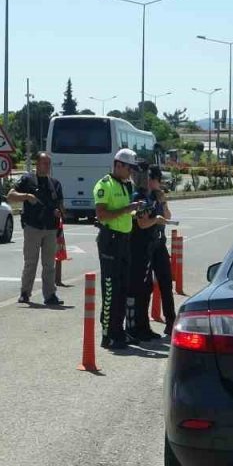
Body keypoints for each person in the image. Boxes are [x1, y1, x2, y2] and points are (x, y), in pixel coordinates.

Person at [94, 148, 142, 349]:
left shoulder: (126, 185)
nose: (131, 172)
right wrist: (127, 209)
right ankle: (108, 334)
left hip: (124, 240)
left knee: (123, 287)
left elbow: (125, 213)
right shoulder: (104, 185)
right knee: (110, 288)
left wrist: (136, 210)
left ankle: (119, 331)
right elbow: (102, 215)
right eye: (129, 168)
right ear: (118, 165)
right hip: (110, 240)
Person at [8, 152, 65, 305]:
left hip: (50, 228)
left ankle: (50, 295)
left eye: (48, 163)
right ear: (37, 164)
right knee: (30, 262)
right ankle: (25, 293)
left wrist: (59, 212)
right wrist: (27, 196)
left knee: (49, 264)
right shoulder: (27, 180)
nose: (46, 166)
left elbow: (62, 207)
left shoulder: (55, 184)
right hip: (32, 227)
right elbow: (10, 195)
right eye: (44, 163)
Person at [129, 165, 175, 338]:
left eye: (156, 179)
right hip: (143, 245)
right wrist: (156, 220)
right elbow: (142, 223)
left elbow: (168, 216)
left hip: (158, 244)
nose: (155, 183)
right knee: (145, 287)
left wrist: (163, 202)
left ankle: (171, 321)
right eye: (154, 179)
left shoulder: (156, 196)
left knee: (166, 282)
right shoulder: (139, 197)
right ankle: (142, 326)